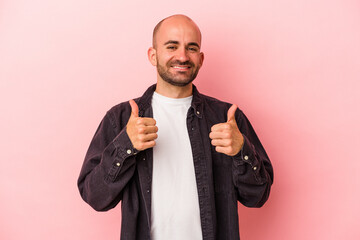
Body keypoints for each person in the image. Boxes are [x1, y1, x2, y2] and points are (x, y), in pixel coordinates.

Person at [78, 14, 273, 240]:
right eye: (172, 46)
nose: (182, 56)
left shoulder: (227, 118)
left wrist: (242, 151)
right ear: (153, 55)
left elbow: (257, 197)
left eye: (191, 48)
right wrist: (125, 145)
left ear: (201, 59)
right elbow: (95, 197)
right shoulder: (121, 119)